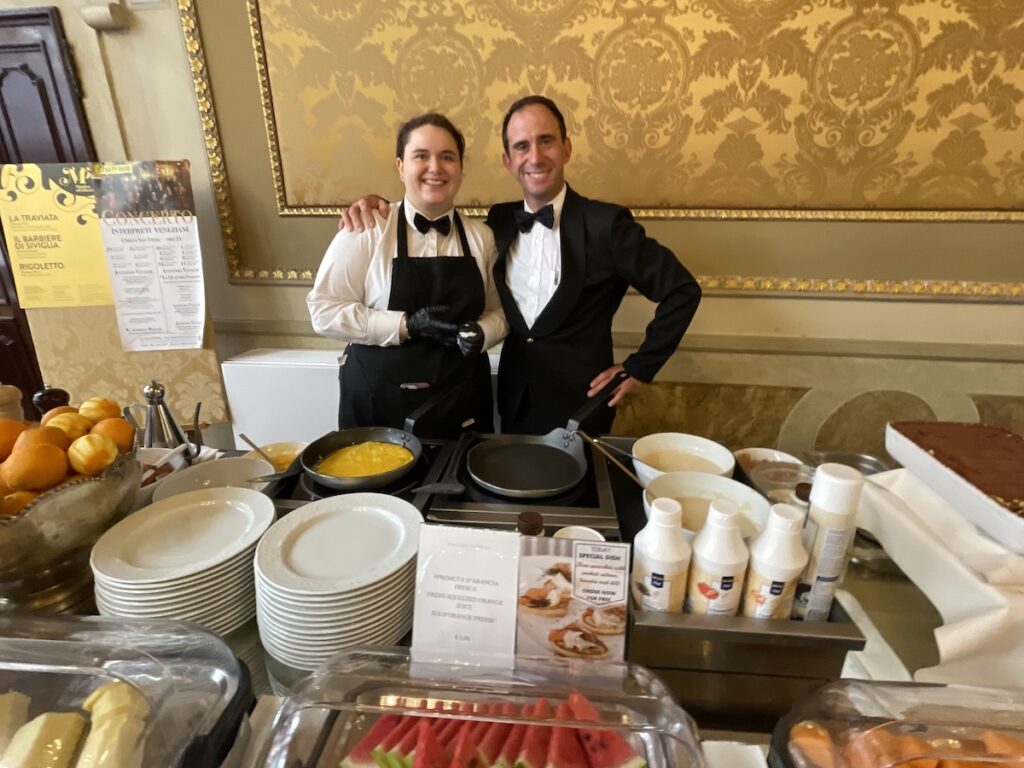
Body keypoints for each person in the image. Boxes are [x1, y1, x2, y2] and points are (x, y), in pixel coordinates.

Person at [340, 96, 701, 435]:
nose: (535, 156)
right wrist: (379, 206)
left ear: (566, 148)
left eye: (546, 141)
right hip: (513, 402)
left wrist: (640, 367)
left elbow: (682, 290)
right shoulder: (497, 223)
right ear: (508, 161)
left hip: (581, 404)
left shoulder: (607, 225)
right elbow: (425, 216)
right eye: (522, 146)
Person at [308, 113, 507, 437]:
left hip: (460, 401)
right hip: (378, 404)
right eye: (421, 156)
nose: (435, 167)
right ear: (400, 166)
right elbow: (323, 311)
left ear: (460, 168)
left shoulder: (481, 237)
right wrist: (405, 325)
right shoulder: (368, 228)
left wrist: (483, 332)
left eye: (447, 157)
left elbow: (500, 311)